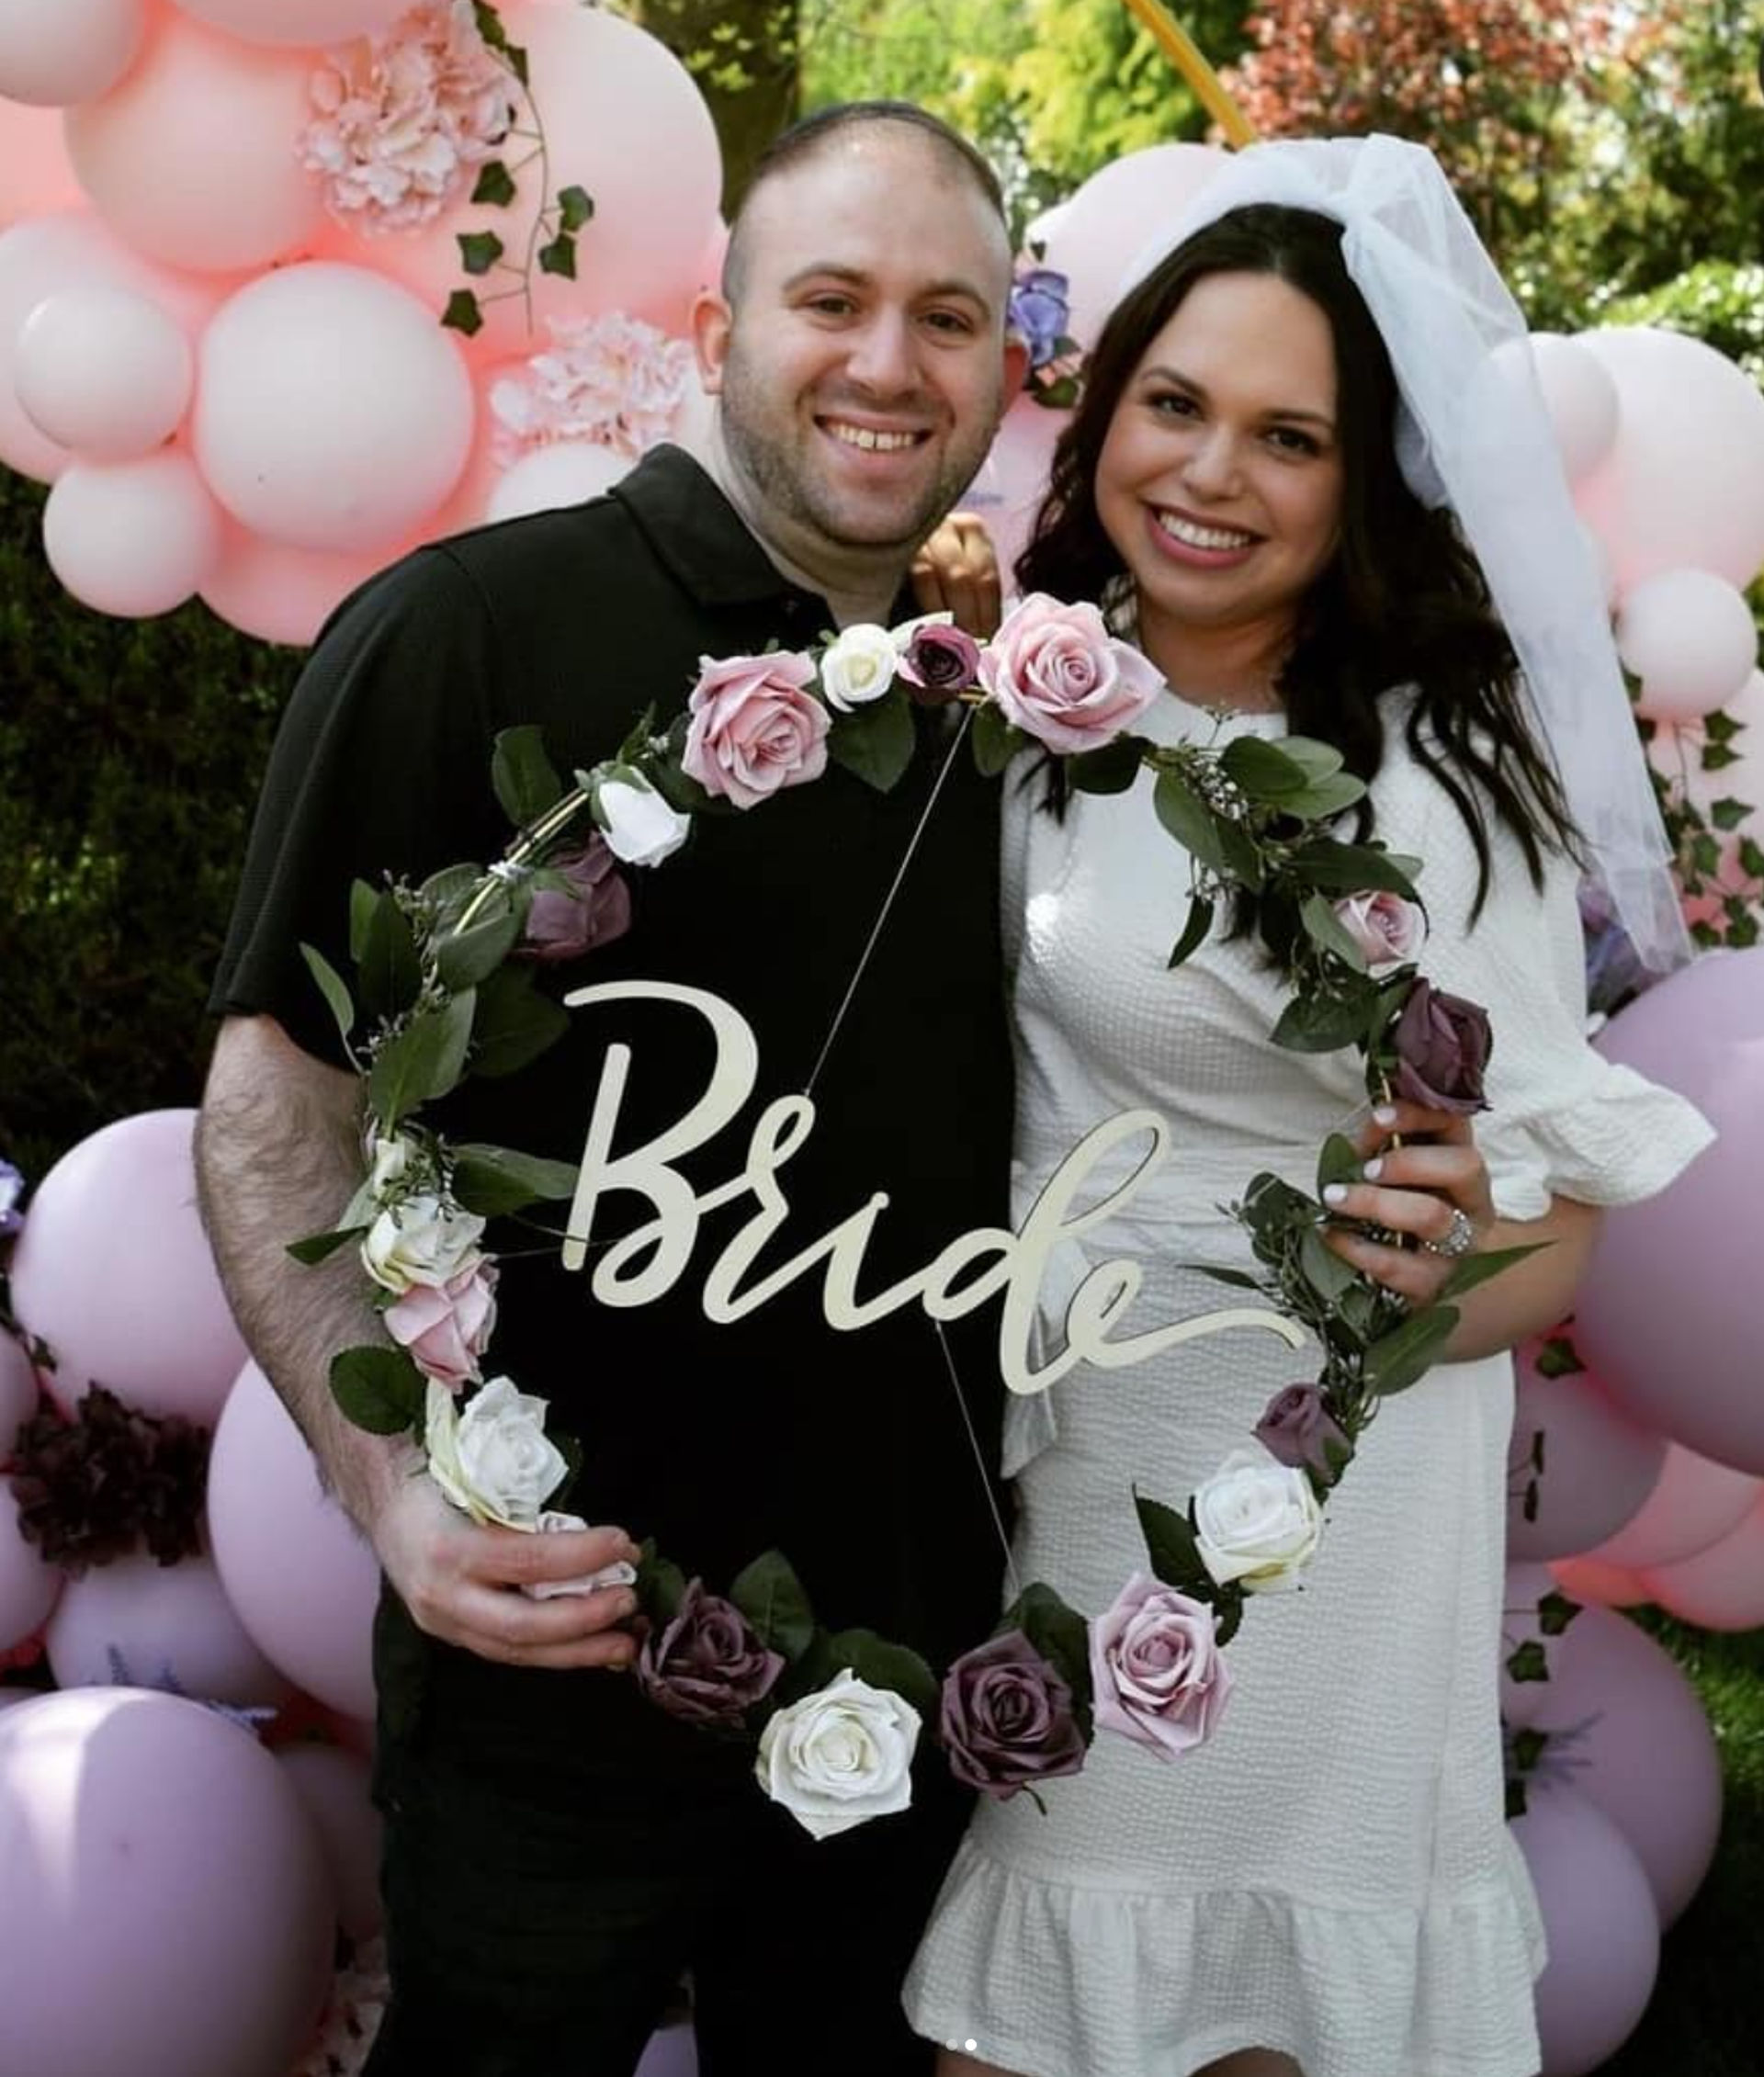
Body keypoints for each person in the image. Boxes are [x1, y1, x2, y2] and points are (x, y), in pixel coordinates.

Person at [196, 102, 1027, 2077]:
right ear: (720, 320)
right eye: (831, 299)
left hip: (902, 1683)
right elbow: (274, 1096)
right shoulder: (466, 630)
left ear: (1008, 363)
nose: (891, 363)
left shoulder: (1007, 709)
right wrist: (388, 1493)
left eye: (953, 316)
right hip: (546, 1685)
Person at [902, 137, 1713, 2077]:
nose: (1208, 473)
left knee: (1279, 2025)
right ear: (1106, 413)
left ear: (1361, 486)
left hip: (1320, 1499)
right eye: (1175, 406)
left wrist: (1409, 1285)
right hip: (1070, 1452)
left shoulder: (1432, 775)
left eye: (1287, 437)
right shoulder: (1032, 703)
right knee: (1031, 2017)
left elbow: (1551, 1233)